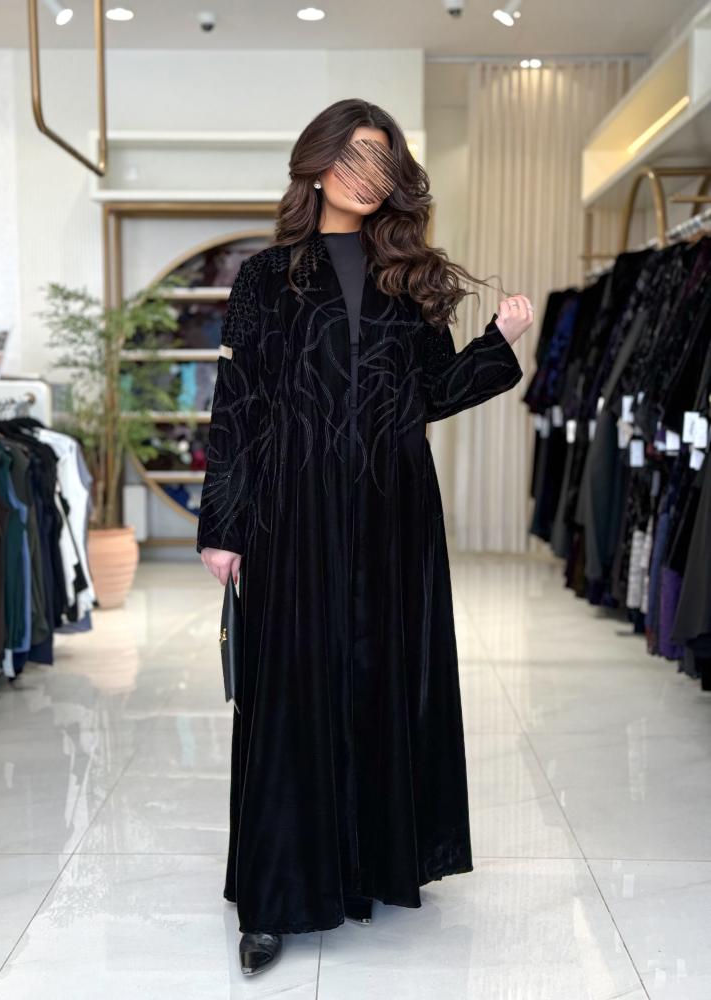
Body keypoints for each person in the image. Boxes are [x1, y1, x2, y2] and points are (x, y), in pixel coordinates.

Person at [197, 97, 533, 976]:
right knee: (290, 692)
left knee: (383, 677)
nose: (365, 174)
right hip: (292, 511)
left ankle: (374, 863)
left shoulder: (407, 279)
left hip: (393, 513)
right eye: (351, 156)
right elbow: (238, 406)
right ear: (315, 164)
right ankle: (276, 894)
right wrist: (223, 524)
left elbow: (433, 393)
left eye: (382, 161)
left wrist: (498, 342)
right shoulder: (265, 278)